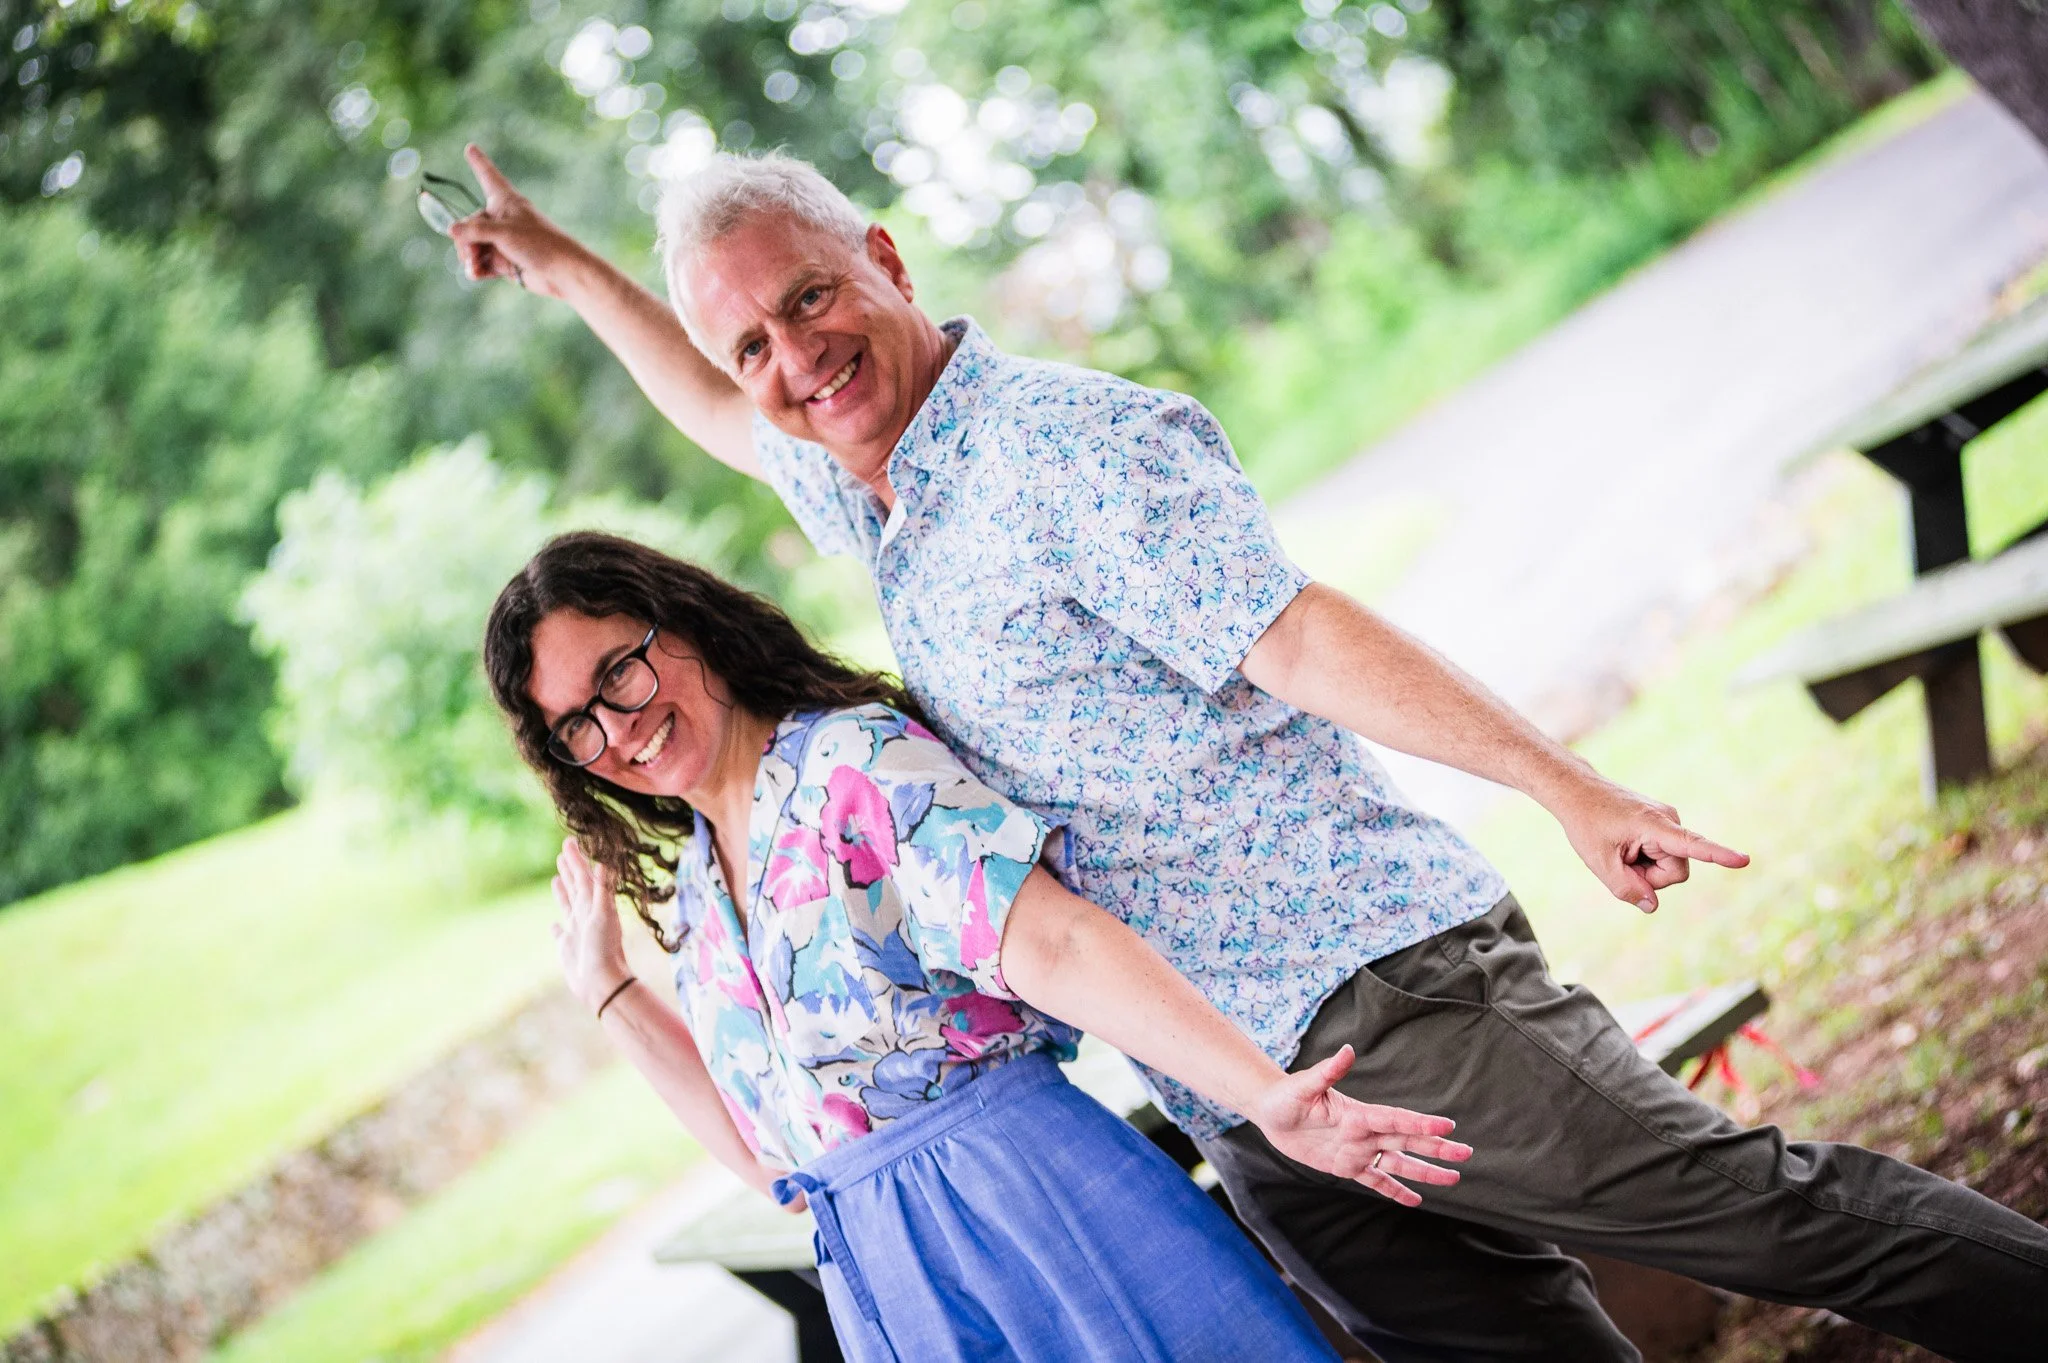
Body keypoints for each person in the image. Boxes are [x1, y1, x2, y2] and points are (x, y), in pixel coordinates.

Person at [450, 146, 2048, 1360]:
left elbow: (1294, 631)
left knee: (1767, 1212)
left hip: (1380, 991)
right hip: (1247, 1082)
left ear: (882, 255)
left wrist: (1569, 783)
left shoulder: (1066, 443)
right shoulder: (866, 483)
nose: (794, 358)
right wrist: (557, 264)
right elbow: (713, 403)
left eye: (811, 299)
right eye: (756, 344)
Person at [484, 531, 1474, 1362]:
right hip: (886, 1284)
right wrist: (612, 993)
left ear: (682, 621)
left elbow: (1049, 940)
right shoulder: (700, 887)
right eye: (575, 722)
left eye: (619, 667)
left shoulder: (852, 764)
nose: (618, 725)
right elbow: (777, 1165)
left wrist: (1261, 1093)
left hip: (1029, 1207)